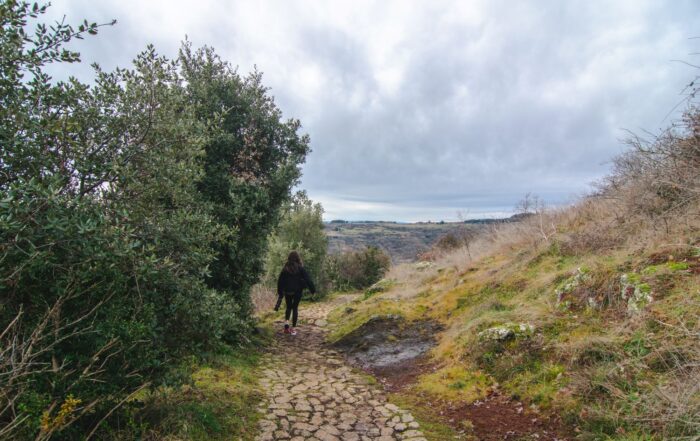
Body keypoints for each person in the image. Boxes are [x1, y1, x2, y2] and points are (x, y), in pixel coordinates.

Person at [274, 251, 316, 335]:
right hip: (297, 291)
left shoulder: (285, 268)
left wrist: (280, 292)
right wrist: (313, 290)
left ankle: (286, 327)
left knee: (288, 307)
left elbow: (280, 281)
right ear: (297, 258)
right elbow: (308, 279)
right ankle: (293, 329)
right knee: (295, 308)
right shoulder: (300, 268)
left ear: (289, 258)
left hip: (287, 291)